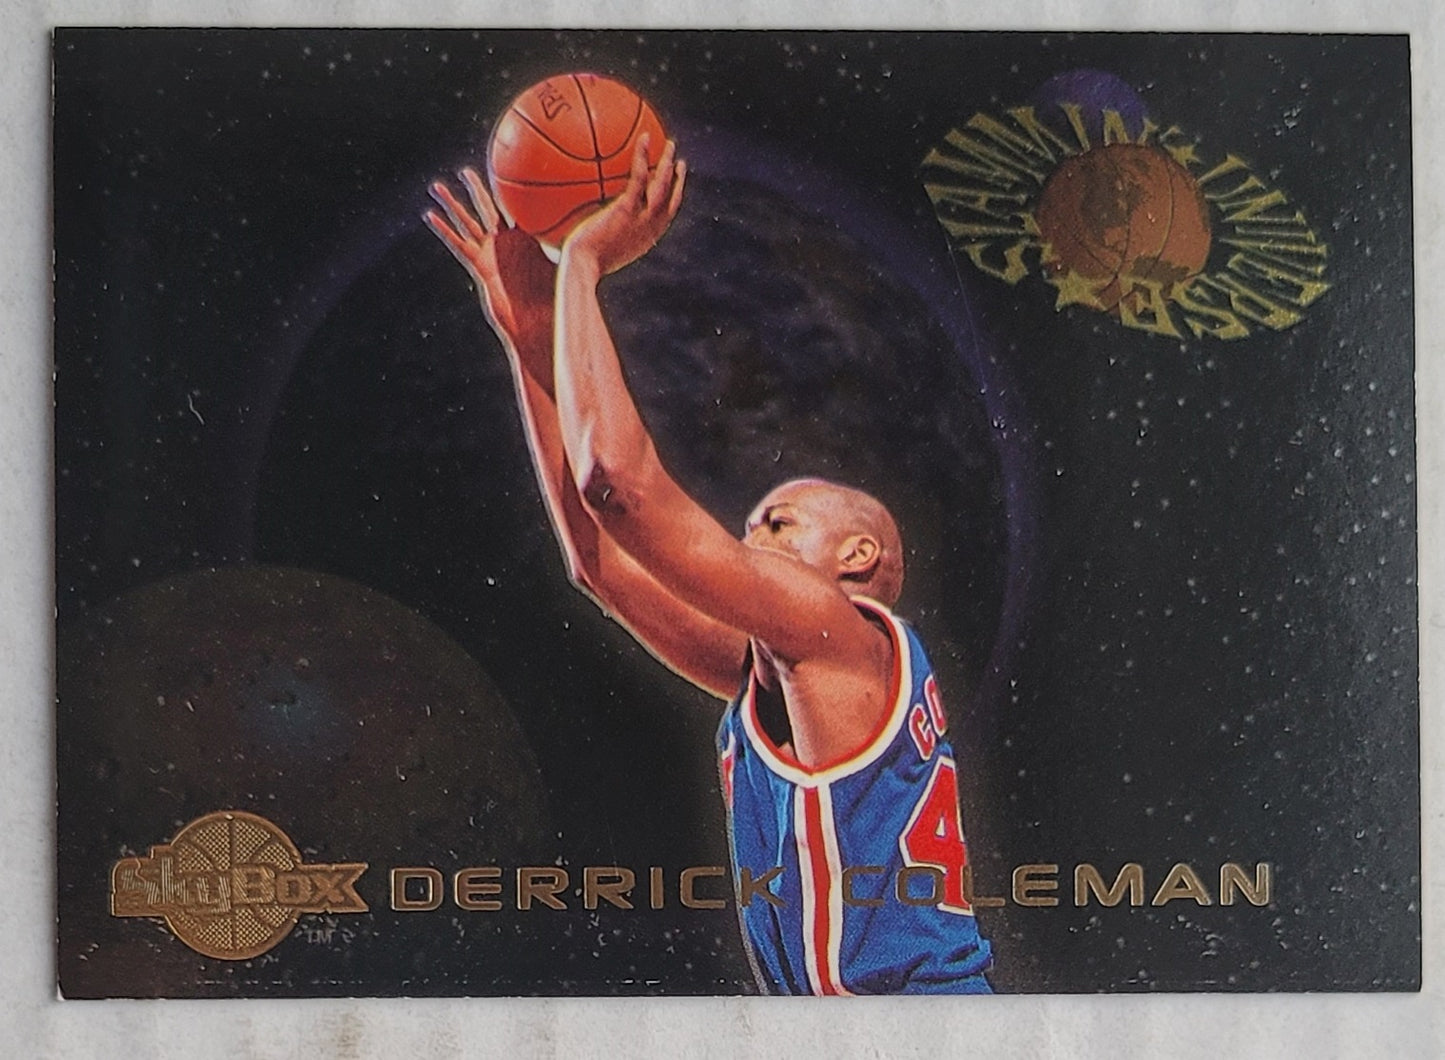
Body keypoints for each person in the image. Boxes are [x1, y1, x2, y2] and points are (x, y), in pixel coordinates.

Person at [425, 135, 993, 994]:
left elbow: (618, 488)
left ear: (857, 555)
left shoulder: (835, 629)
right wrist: (531, 339)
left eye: (779, 522)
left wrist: (580, 266)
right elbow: (599, 563)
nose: (748, 538)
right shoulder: (779, 674)